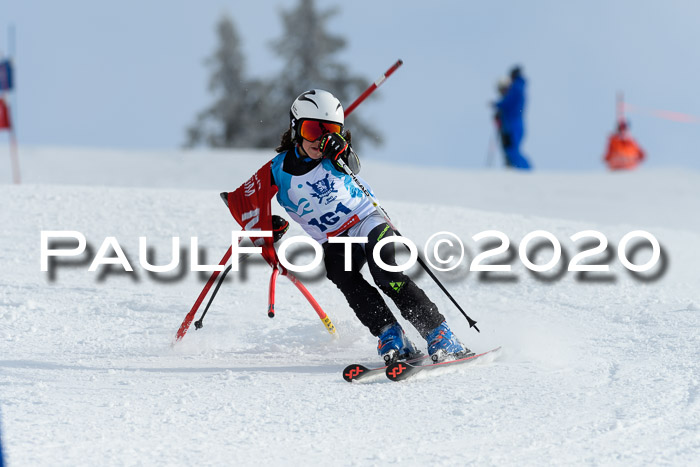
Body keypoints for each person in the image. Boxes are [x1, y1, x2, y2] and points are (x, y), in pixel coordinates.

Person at [270, 89, 471, 363]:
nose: (320, 138)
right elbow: (248, 201)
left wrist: (340, 148)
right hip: (333, 238)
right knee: (341, 273)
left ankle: (440, 334)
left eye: (330, 130)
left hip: (367, 220)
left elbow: (352, 162)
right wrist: (264, 224)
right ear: (296, 128)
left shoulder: (336, 155)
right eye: (312, 128)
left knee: (385, 273)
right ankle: (391, 335)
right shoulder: (276, 170)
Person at [493, 66, 532, 170]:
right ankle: (514, 169)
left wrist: (497, 105)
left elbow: (508, 102)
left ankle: (526, 170)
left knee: (512, 150)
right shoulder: (516, 89)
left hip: (514, 125)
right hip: (509, 126)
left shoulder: (516, 88)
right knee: (509, 150)